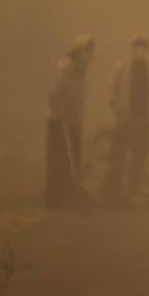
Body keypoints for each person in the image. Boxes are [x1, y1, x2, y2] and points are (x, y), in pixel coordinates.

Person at [102, 34, 149, 203]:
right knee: (119, 154)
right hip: (125, 118)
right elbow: (111, 91)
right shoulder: (120, 68)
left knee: (140, 154)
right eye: (136, 48)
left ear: (147, 50)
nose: (139, 51)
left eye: (143, 48)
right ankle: (113, 190)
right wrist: (117, 109)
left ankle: (132, 191)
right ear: (131, 50)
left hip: (145, 118)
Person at [45, 35, 94, 207]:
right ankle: (54, 199)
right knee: (59, 160)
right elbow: (54, 93)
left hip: (74, 121)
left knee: (72, 159)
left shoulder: (81, 71)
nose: (88, 56)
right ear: (77, 52)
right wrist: (60, 111)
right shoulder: (65, 68)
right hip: (59, 122)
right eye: (85, 52)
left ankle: (68, 195)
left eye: (90, 53)